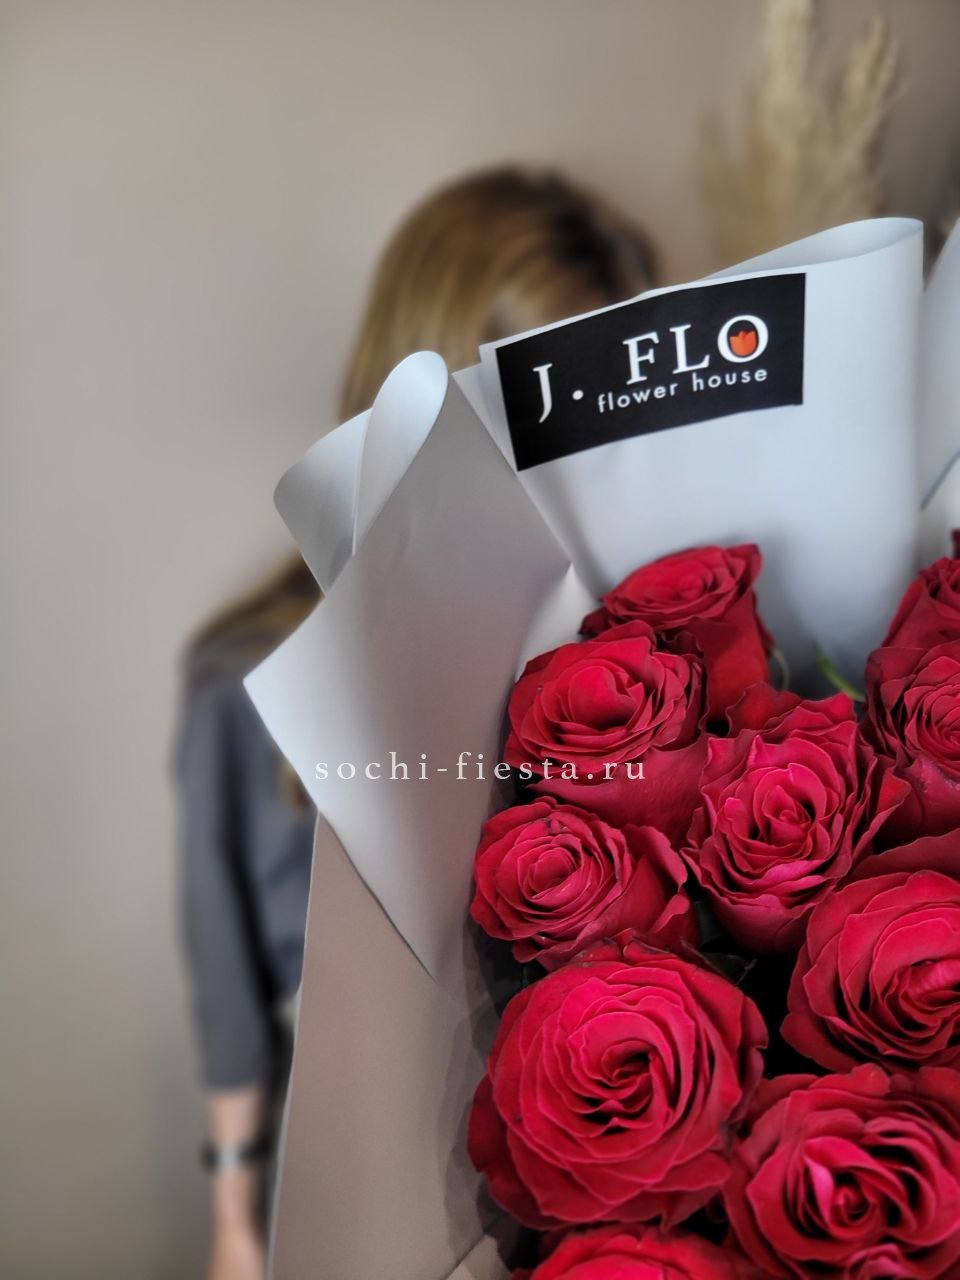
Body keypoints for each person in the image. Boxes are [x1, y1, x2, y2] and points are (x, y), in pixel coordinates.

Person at [175, 165, 655, 1280]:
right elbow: (225, 969)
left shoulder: (629, 656)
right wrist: (234, 1214)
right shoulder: (245, 679)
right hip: (363, 1178)